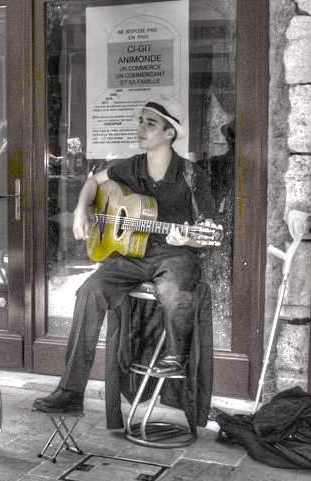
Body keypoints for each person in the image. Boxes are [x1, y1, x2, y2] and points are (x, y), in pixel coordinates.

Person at [33, 94, 216, 414]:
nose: (142, 128)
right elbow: (92, 182)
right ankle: (70, 390)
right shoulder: (131, 166)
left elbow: (210, 231)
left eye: (151, 124)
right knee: (89, 292)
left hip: (173, 256)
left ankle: (173, 362)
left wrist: (188, 241)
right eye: (141, 122)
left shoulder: (191, 175)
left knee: (172, 289)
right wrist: (80, 209)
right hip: (129, 256)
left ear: (169, 133)